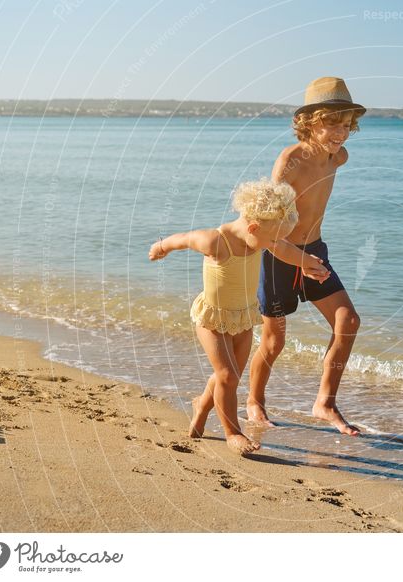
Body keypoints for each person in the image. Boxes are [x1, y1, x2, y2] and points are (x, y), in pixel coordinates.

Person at [149, 178, 329, 454]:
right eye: (273, 238)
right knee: (227, 375)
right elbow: (184, 239)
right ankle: (233, 433)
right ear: (254, 227)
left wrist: (308, 262)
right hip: (212, 318)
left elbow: (284, 249)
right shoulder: (215, 241)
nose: (275, 244)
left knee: (228, 377)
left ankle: (201, 405)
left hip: (243, 317)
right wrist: (161, 247)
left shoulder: (261, 238)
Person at [248, 77, 366, 436]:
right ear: (309, 122)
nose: (340, 134)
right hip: (279, 255)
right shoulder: (289, 162)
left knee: (348, 322)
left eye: (346, 126)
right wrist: (298, 260)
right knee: (274, 339)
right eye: (332, 124)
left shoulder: (338, 157)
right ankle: (254, 401)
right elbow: (265, 232)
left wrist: (309, 258)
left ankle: (324, 403)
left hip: (315, 250)